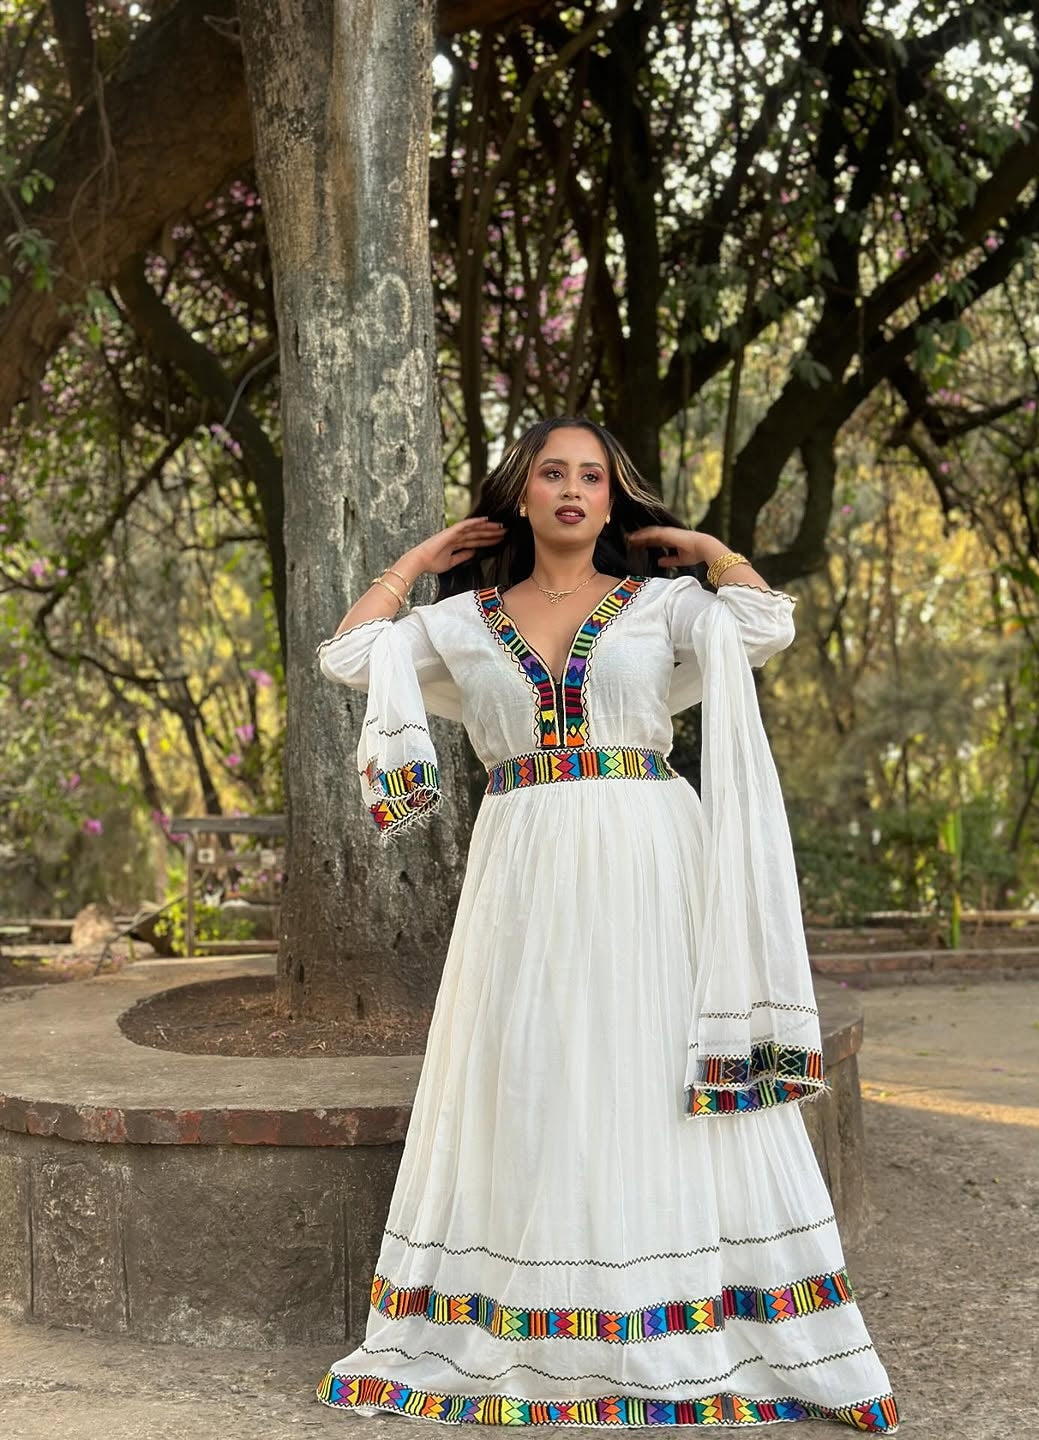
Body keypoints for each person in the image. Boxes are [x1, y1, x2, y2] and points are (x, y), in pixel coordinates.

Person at [313, 417, 898, 1432]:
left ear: (614, 500)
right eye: (553, 473)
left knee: (648, 1070)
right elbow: (352, 655)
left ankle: (682, 1319)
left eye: (593, 476)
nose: (574, 490)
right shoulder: (465, 619)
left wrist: (711, 553)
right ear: (524, 496)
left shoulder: (667, 606)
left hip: (646, 851)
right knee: (539, 1072)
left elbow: (763, 627)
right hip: (524, 866)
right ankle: (542, 1326)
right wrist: (418, 561)